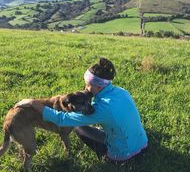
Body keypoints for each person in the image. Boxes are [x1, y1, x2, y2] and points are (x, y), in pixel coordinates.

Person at [16, 58, 148, 165]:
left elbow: (61, 119)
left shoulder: (102, 107)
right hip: (143, 144)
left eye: (87, 84)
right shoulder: (121, 91)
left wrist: (33, 103)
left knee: (78, 126)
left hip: (123, 156)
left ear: (97, 85)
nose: (85, 87)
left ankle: (111, 158)